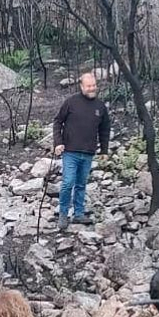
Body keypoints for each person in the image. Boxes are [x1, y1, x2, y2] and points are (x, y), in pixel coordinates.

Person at [52, 72, 111, 230]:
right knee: (67, 183)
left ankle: (78, 214)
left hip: (88, 152)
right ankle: (63, 214)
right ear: (82, 86)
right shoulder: (71, 102)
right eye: (88, 86)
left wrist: (104, 150)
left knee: (81, 184)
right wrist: (58, 143)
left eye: (94, 85)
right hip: (70, 151)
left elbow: (105, 129)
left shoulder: (100, 106)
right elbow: (58, 122)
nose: (92, 88)